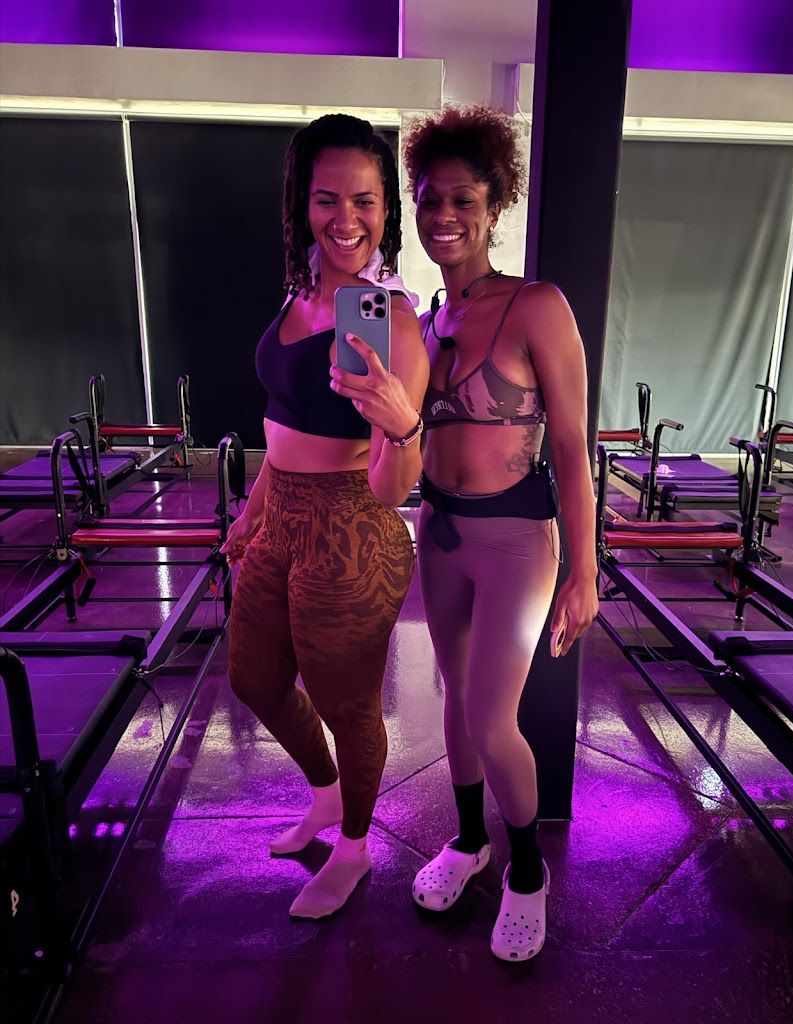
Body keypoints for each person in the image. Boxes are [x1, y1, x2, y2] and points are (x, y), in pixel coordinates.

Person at [401, 105, 599, 961]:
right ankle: (469, 839)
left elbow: (571, 446)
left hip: (517, 540)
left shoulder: (535, 306)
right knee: (454, 702)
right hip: (438, 532)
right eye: (428, 199)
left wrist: (585, 570)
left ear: (493, 205)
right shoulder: (419, 322)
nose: (442, 215)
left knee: (491, 720)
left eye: (461, 199)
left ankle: (525, 870)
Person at [221, 114, 428, 921]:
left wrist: (403, 426)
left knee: (348, 706)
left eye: (365, 201)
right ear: (300, 204)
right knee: (254, 679)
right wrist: (251, 513)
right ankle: (326, 795)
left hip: (351, 529)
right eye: (326, 199)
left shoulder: (385, 318)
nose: (346, 220)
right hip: (280, 515)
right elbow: (283, 426)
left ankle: (354, 844)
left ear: (387, 210)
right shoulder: (303, 287)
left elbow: (391, 489)